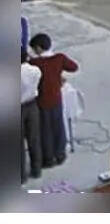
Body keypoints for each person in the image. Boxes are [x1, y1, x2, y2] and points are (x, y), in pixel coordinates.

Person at [27, 32, 78, 168]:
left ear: (38, 48)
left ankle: (48, 159)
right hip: (56, 99)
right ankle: (60, 154)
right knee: (58, 127)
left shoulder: (34, 63)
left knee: (44, 131)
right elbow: (74, 67)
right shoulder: (59, 58)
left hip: (41, 101)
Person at [19, 51, 41, 183]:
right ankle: (36, 169)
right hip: (32, 105)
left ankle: (21, 176)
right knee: (34, 139)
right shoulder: (35, 70)